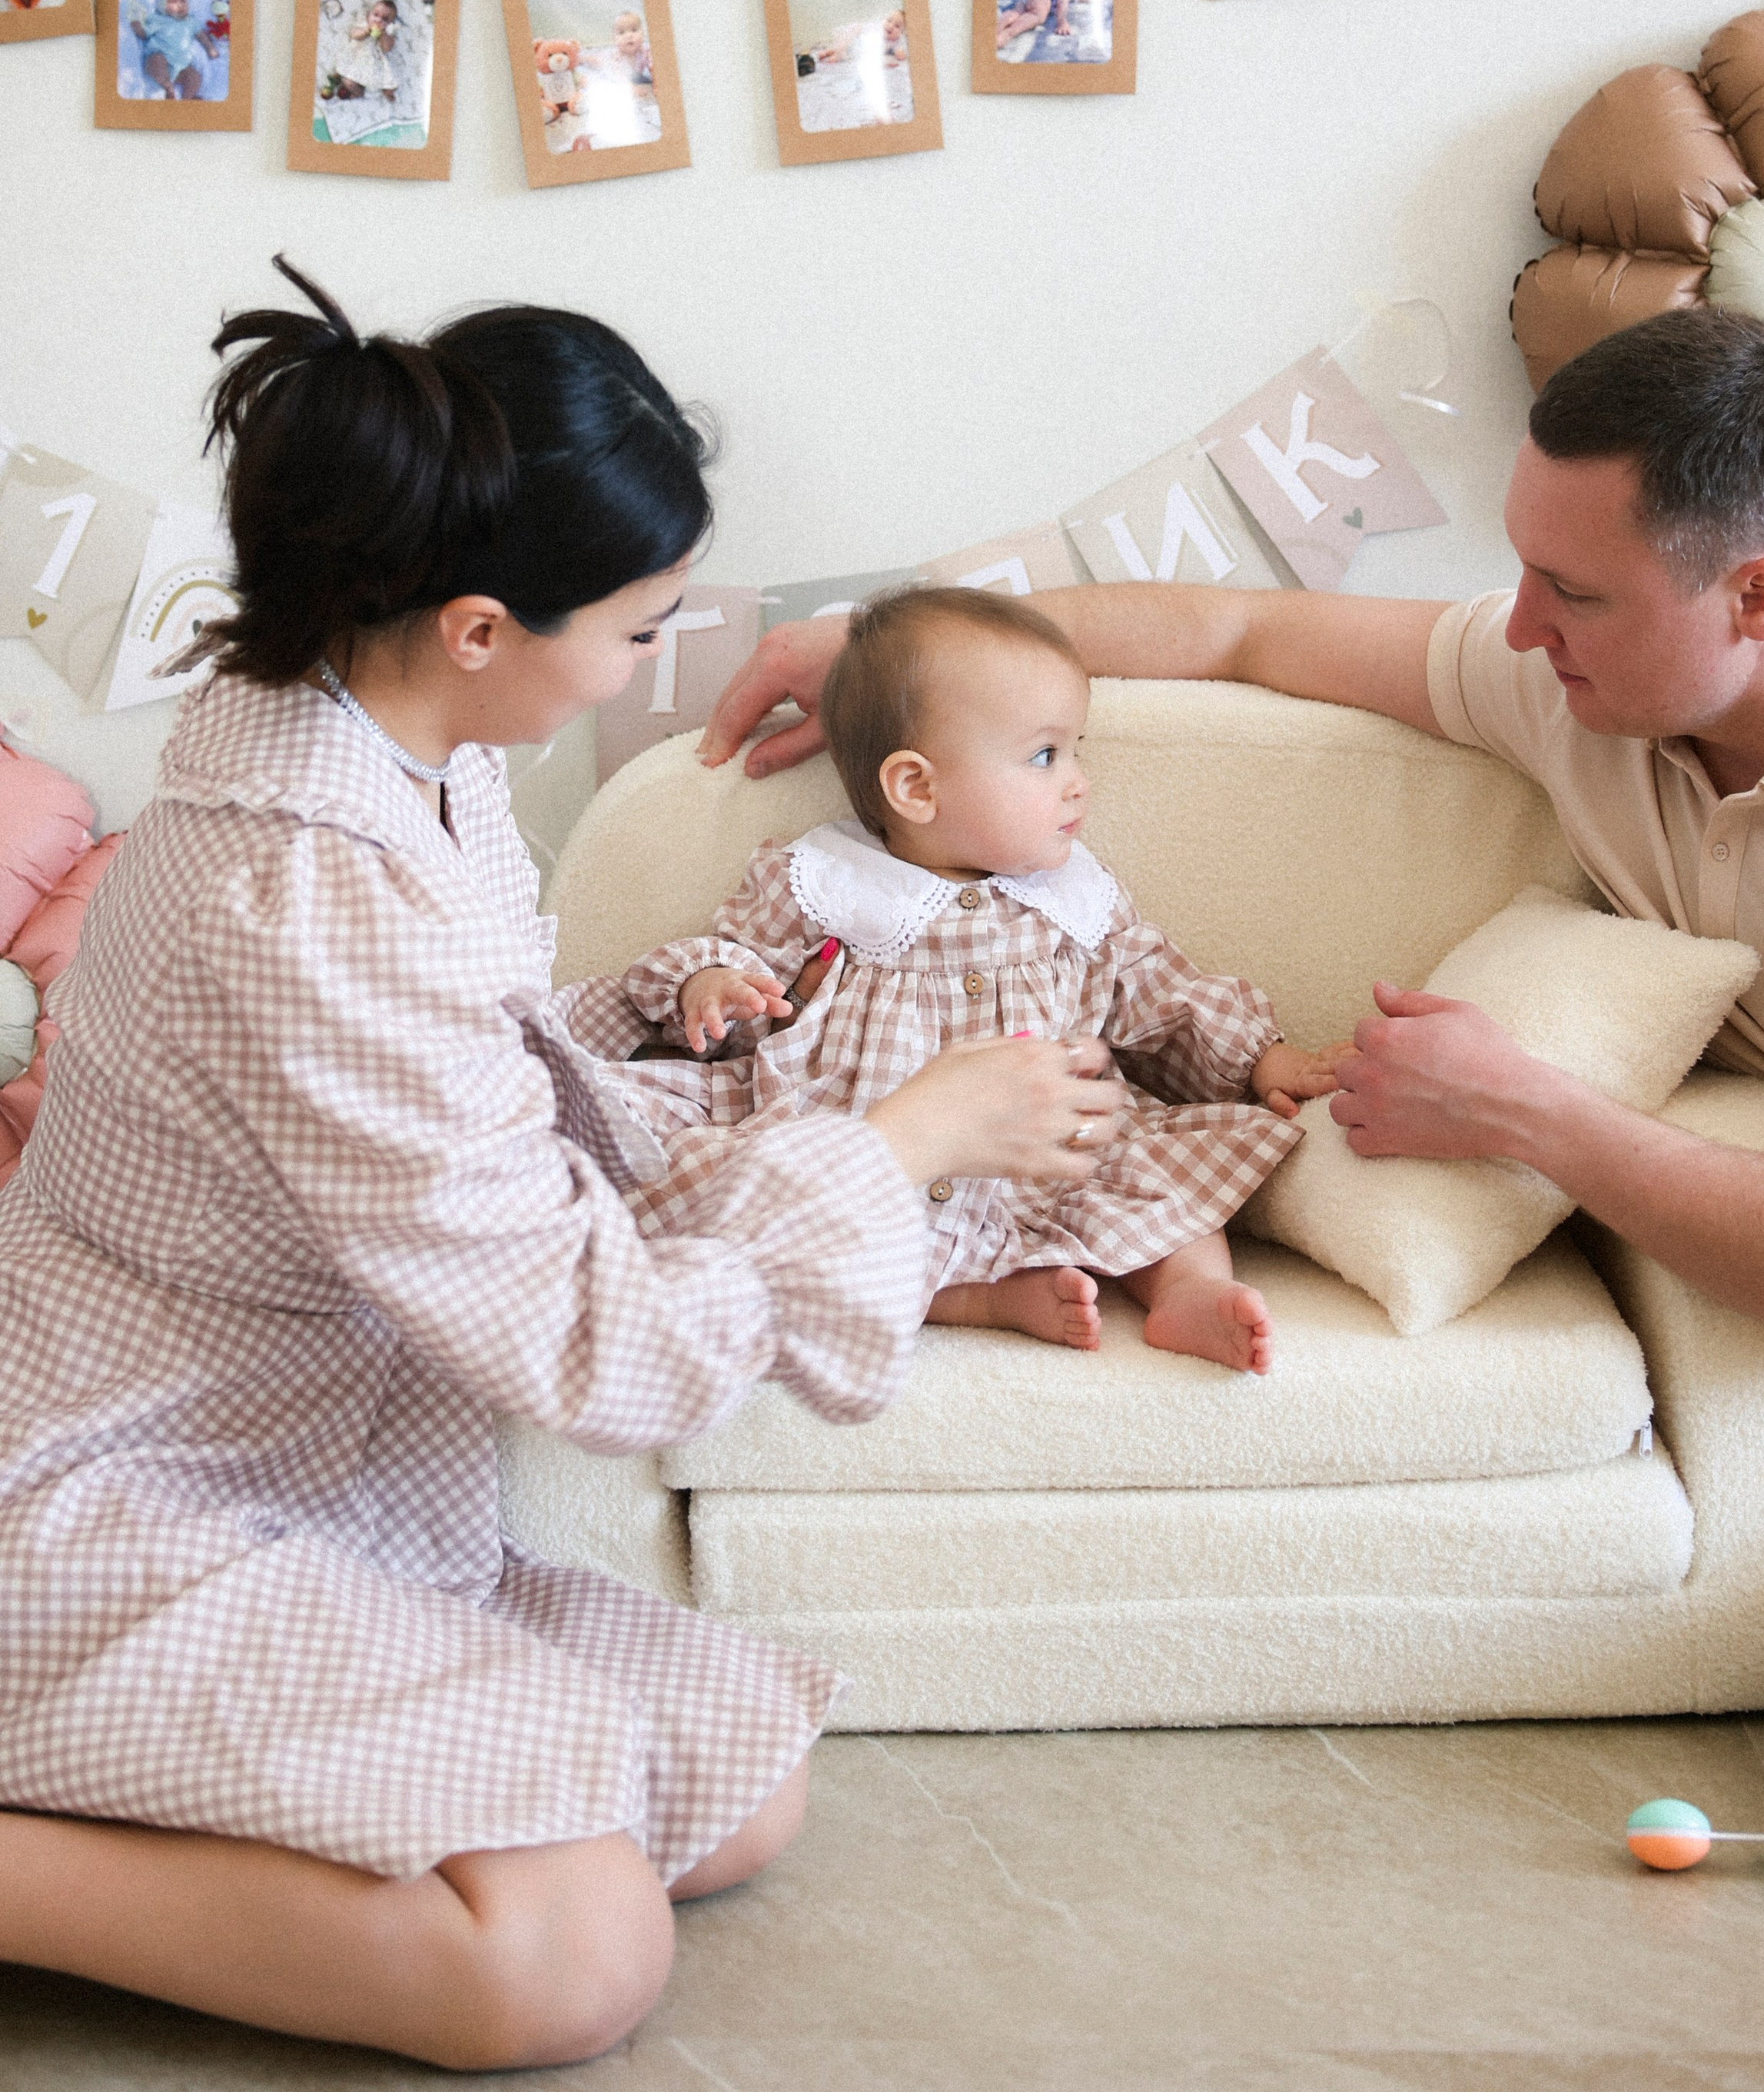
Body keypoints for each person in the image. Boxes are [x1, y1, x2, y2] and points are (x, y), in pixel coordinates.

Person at [0, 260, 1125, 2069]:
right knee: (569, 1958)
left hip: (301, 1463)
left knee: (727, 1787)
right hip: (113, 1489)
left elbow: (477, 1095)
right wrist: (901, 1140)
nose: (649, 662)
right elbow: (584, 1348)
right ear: (472, 625)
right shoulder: (300, 892)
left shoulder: (395, 771)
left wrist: (673, 1027)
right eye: (629, 624)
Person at [703, 308, 1764, 1824]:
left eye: (1569, 592)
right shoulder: (1586, 695)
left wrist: (1528, 1115)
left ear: (1756, 595)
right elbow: (1233, 630)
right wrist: (888, 643)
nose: (1513, 628)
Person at [622, 587, 1326, 1371]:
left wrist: (1262, 1058)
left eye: (1075, 749)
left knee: (1167, 1181)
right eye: (1044, 756)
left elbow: (1156, 991)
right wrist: (713, 986)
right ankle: (978, 1299)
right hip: (882, 1139)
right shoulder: (826, 880)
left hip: (1051, 1151)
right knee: (800, 1217)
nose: (1078, 781)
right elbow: (742, 959)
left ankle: (1185, 1292)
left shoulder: (1074, 901)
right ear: (916, 788)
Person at [126, 0, 209, 98]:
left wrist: (210, 48)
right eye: (173, 1)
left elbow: (201, 35)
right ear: (163, 7)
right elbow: (144, 34)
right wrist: (137, 25)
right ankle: (168, 87)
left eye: (183, 0)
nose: (180, 4)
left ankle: (189, 98)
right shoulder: (159, 20)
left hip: (182, 65)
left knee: (195, 77)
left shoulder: (191, 21)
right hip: (160, 57)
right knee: (156, 61)